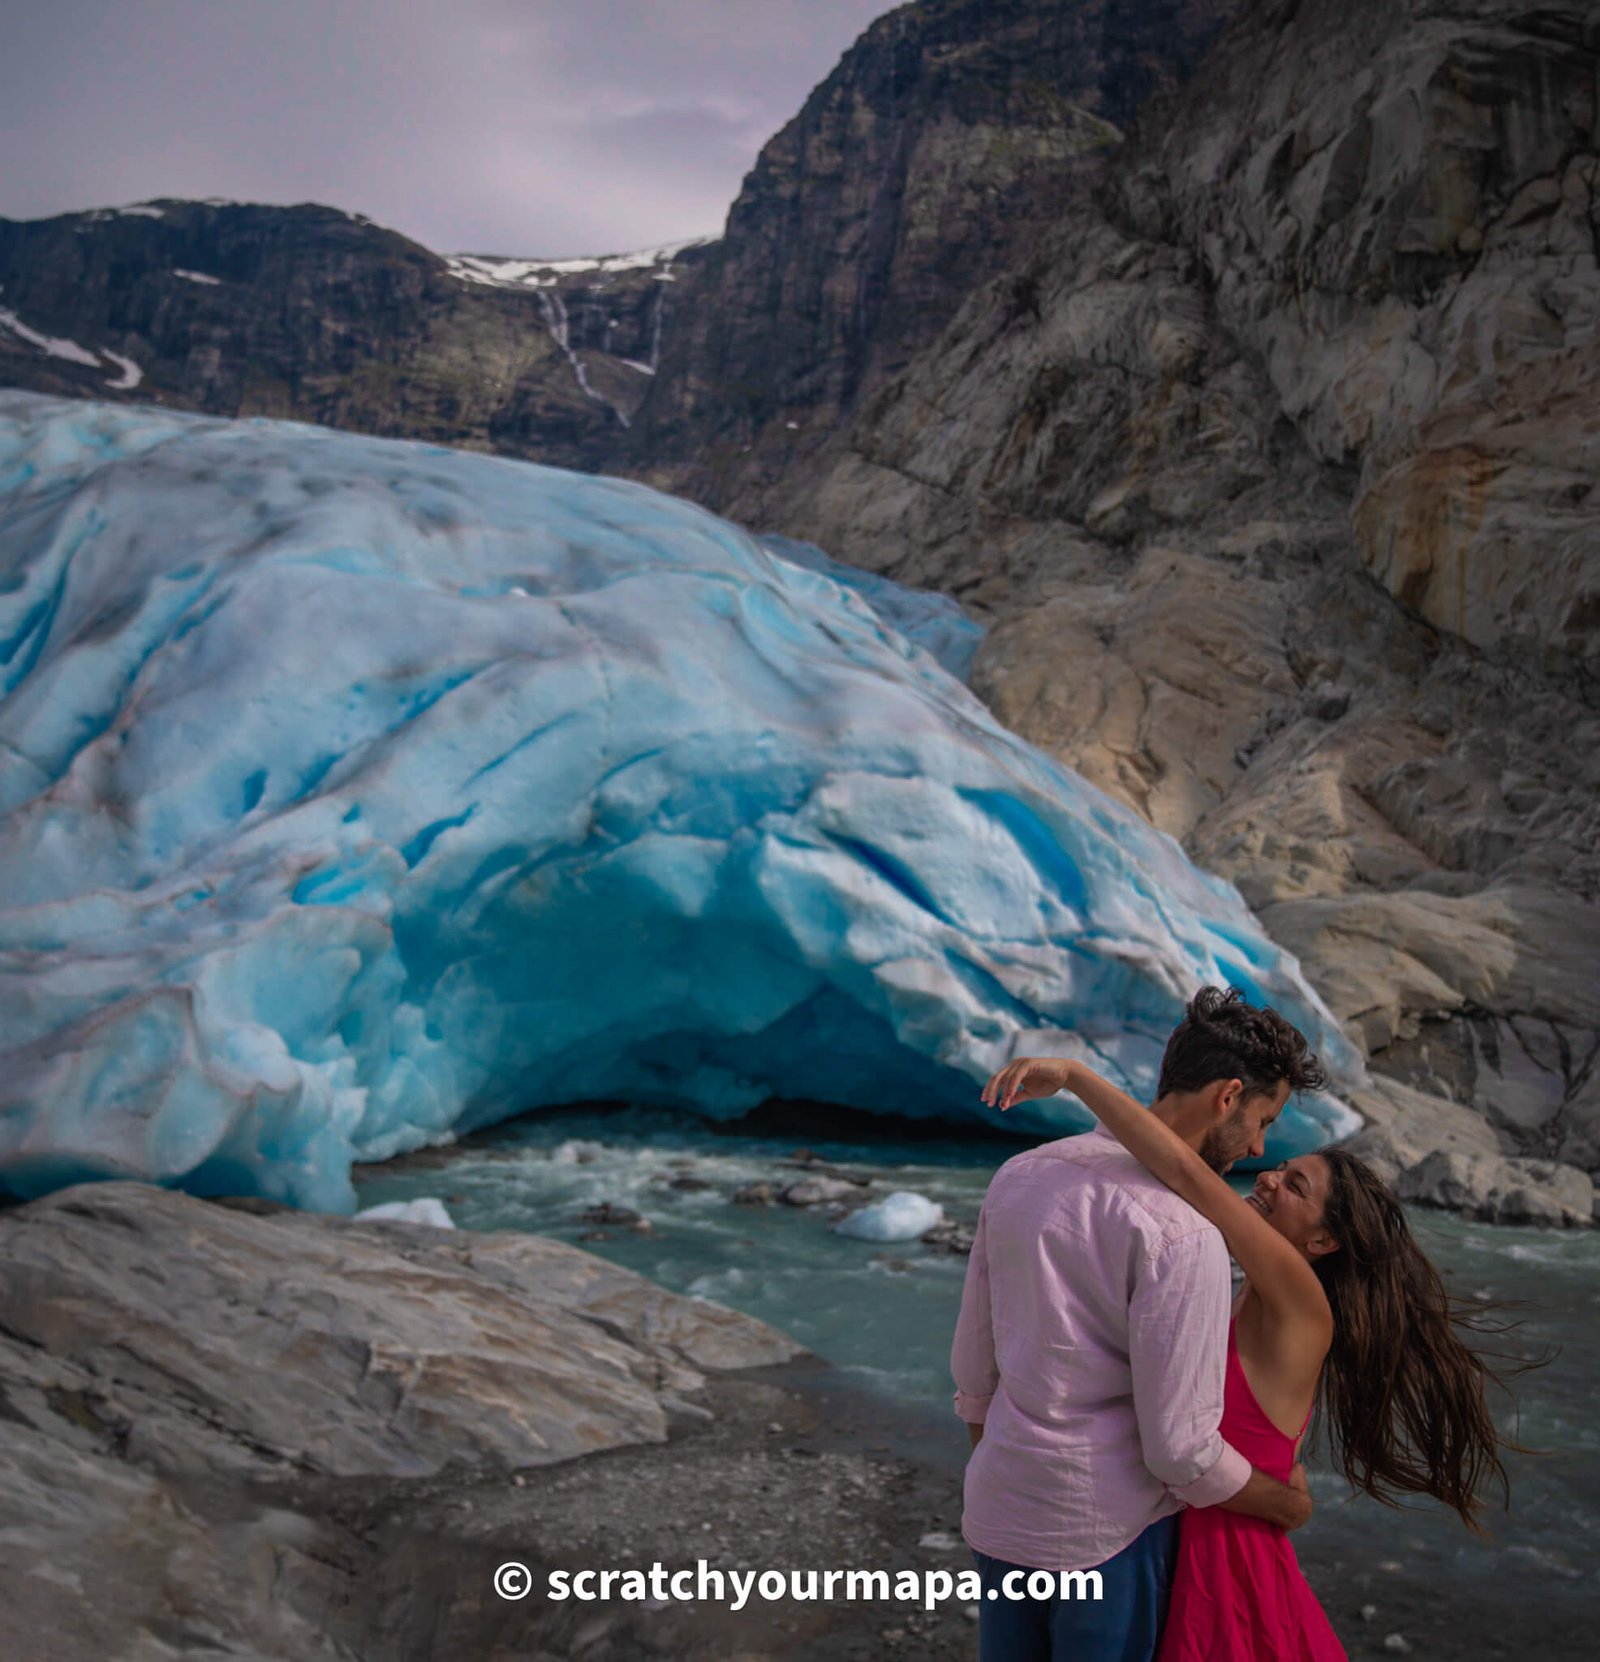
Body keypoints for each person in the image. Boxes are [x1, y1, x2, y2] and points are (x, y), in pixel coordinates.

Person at [984, 987, 1522, 1662]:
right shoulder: (1246, 1292)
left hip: (1231, 1565)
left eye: (1295, 1186)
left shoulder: (1299, 1297)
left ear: (1324, 1242)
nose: (1267, 1172)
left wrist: (1079, 1078)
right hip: (1180, 1544)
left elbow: (1183, 1168)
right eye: (1281, 1167)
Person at [951, 986, 1323, 1662]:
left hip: (1002, 1507)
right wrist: (1279, 1503)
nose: (1260, 1145)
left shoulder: (1020, 1175)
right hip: (1108, 1536)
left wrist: (1009, 1472)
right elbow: (1178, 1449)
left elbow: (976, 1372)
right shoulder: (1184, 1233)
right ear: (1228, 1095)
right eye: (1263, 1119)